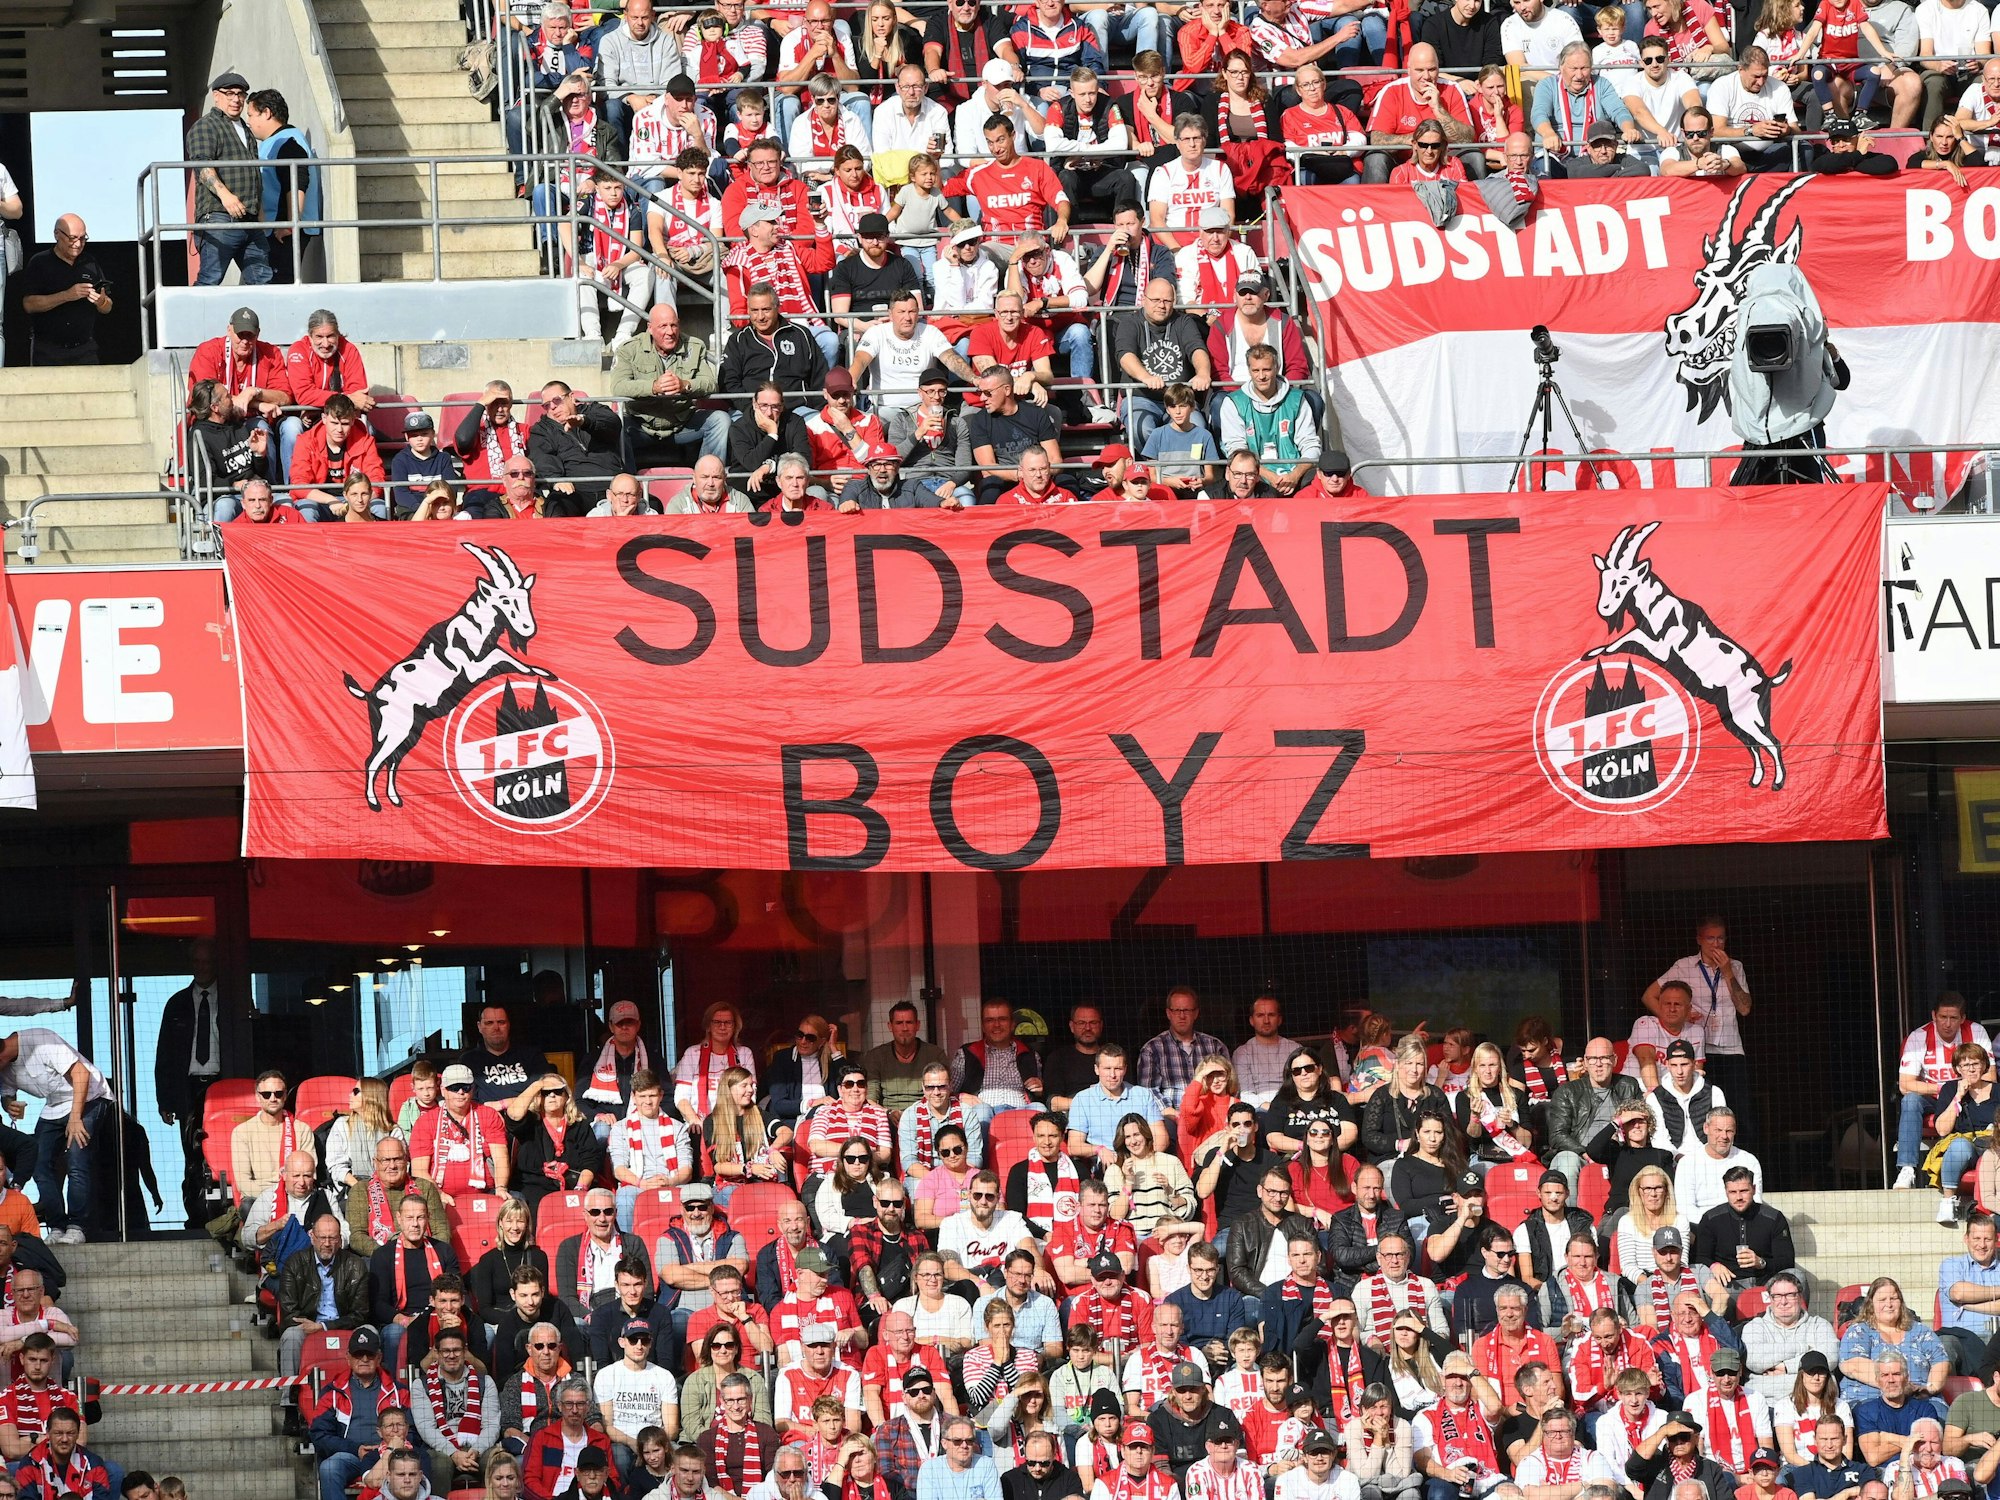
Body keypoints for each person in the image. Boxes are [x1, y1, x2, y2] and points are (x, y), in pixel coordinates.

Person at [0, 1029, 110, 1244]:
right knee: (39, 1162)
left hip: (88, 1098)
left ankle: (77, 1226)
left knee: (77, 1161)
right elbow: (7, 1093)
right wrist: (9, 1105)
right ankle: (57, 1225)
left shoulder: (41, 1040)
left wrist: (76, 1118)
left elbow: (81, 1073)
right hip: (54, 1105)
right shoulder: (5, 1066)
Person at [612, 304, 732, 471]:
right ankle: (629, 486)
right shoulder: (629, 349)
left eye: (674, 325)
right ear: (650, 328)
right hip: (641, 425)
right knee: (613, 425)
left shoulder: (695, 346)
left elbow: (710, 384)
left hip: (682, 423)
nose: (670, 332)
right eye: (663, 326)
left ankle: (707, 478)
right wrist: (653, 387)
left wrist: (685, 385)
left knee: (721, 420)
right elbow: (618, 387)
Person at [1896, 997, 1992, 1189]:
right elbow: (1905, 1085)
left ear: (1963, 1018)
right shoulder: (1918, 1037)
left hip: (1969, 1094)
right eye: (1943, 1017)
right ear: (1934, 1016)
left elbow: (1990, 1077)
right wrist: (1945, 1088)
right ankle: (1907, 1169)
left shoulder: (1976, 1032)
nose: (1947, 1024)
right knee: (1910, 1100)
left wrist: (1963, 1089)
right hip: (1934, 1096)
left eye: (1954, 1018)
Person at [184, 70, 269, 288]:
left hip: (249, 219)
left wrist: (260, 213)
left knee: (262, 281)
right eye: (229, 93)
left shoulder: (246, 130)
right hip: (219, 218)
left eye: (240, 94)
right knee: (210, 280)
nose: (236, 99)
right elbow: (202, 164)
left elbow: (253, 173)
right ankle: (196, 321)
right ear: (216, 95)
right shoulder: (206, 125)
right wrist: (225, 196)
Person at [1115, 279, 1214, 452]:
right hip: (1142, 398)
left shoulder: (1184, 322)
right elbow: (1125, 356)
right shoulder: (1130, 323)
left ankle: (1189, 471)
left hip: (1180, 398)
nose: (1162, 305)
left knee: (1197, 429)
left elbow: (1197, 349)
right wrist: (1146, 377)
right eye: (1156, 300)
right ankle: (1158, 471)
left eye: (1167, 301)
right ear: (1143, 300)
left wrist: (1203, 373)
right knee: (1141, 429)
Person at [369, 1194, 462, 1373]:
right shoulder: (382, 1255)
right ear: (399, 1219)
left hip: (440, 1316)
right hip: (403, 1319)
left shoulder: (444, 1250)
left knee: (486, 1333)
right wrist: (405, 1321)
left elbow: (457, 1291)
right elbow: (378, 1304)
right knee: (394, 1333)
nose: (415, 1224)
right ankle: (397, 1390)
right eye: (409, 1218)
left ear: (427, 1218)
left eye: (420, 1217)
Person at [309, 1326, 404, 1500]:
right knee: (329, 1468)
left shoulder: (399, 1392)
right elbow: (319, 1434)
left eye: (370, 1354)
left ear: (379, 1358)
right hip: (350, 1455)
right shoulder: (333, 1392)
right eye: (358, 1354)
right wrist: (355, 1449)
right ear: (348, 1358)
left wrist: (391, 1448)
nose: (365, 1359)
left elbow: (412, 1429)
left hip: (392, 1453)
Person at [1363, 45, 1476, 184]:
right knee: (1375, 159)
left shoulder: (1452, 89)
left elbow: (1468, 138)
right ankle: (1376, 205)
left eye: (1432, 69)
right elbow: (1377, 139)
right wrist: (1416, 140)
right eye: (1420, 70)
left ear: (1439, 68)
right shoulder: (1392, 91)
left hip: (1443, 157)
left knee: (1474, 157)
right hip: (1402, 159)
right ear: (1408, 70)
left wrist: (1438, 109)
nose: (1426, 76)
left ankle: (1477, 204)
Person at [411, 1324, 501, 1491]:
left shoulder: (485, 1382)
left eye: (457, 1350)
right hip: (440, 1447)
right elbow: (426, 1428)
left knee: (498, 1461)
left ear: (465, 1351)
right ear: (436, 1353)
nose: (451, 1355)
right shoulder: (420, 1385)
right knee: (440, 1464)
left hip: (478, 1444)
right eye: (446, 1351)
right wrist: (453, 1453)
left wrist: (476, 1450)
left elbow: (492, 1425)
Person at [1837, 1280, 1950, 1410]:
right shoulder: (1859, 1331)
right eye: (1882, 1300)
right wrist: (1899, 1386)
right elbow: (1853, 1366)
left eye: (1893, 1298)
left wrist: (1931, 1388)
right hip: (1870, 1399)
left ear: (1901, 1303)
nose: (1889, 1304)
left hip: (1920, 1400)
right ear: (1870, 1305)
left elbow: (1940, 1361)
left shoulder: (1920, 1331)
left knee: (1938, 1415)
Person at [411, 1063, 512, 1204]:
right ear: (443, 1090)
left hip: (485, 1193)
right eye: (453, 1087)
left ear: (472, 1089)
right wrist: (438, 1194)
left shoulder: (488, 1115)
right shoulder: (425, 1122)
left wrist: (501, 1188)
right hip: (439, 1196)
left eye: (465, 1087)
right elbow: (418, 1171)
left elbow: (501, 1158)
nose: (460, 1092)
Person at [1549, 1041, 1641, 1194]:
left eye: (1604, 1058)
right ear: (1585, 1062)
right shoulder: (1567, 1091)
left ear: (1614, 1060)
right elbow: (1557, 1135)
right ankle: (1571, 1216)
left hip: (1619, 1154)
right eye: (1593, 1058)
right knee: (1567, 1161)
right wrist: (1585, 1153)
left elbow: (1642, 1123)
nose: (1598, 1064)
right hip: (1580, 1154)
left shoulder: (1629, 1086)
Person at [20, 216, 113, 366]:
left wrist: (101, 302)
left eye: (83, 238)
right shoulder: (40, 262)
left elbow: (108, 306)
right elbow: (29, 304)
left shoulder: (90, 262)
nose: (78, 244)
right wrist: (66, 295)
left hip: (85, 349)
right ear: (57, 234)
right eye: (72, 238)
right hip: (47, 350)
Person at [509, 1074, 604, 1217]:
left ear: (566, 1096)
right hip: (534, 1186)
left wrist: (579, 1190)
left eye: (558, 1091)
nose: (552, 1095)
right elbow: (514, 1115)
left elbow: (590, 1161)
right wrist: (538, 1085)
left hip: (573, 1185)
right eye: (546, 1093)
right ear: (538, 1097)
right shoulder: (529, 1122)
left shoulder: (579, 1124)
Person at [348, 1136, 449, 1260]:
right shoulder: (360, 1190)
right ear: (375, 1162)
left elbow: (442, 1231)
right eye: (386, 1160)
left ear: (406, 1160)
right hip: (382, 1258)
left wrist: (422, 1253)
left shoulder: (425, 1187)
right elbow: (357, 1237)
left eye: (397, 1159)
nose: (392, 1166)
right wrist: (390, 1254)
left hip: (423, 1255)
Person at [1742, 1272, 1838, 1400]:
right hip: (1767, 1402)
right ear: (1770, 1299)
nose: (1783, 1302)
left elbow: (1830, 1359)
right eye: (1777, 1296)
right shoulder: (1755, 1327)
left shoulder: (1819, 1325)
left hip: (1814, 1401)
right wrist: (1802, 1348)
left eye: (1790, 1295)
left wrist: (1786, 1367)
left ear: (1799, 1297)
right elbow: (1754, 1361)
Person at [524, 1378, 617, 1498]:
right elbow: (529, 1480)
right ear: (559, 1406)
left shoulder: (600, 1440)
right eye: (569, 1404)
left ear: (588, 1407)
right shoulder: (542, 1437)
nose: (574, 1410)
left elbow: (612, 1480)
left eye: (580, 1404)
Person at [1810, 115, 1903, 169]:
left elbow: (1890, 165)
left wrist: (1857, 156)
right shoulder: (1826, 158)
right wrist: (1858, 155)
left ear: (1857, 139)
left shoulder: (1868, 156)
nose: (1841, 145)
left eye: (1847, 140)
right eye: (1836, 141)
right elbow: (1819, 166)